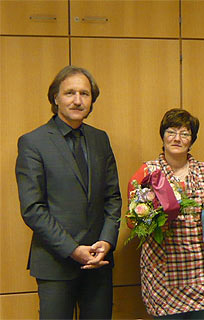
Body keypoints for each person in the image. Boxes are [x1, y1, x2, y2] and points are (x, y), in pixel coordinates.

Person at [15, 65, 122, 319]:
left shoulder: (100, 139)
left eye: (84, 94)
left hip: (99, 262)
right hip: (55, 264)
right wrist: (73, 249)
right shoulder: (33, 142)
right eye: (70, 93)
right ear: (55, 97)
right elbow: (32, 208)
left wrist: (106, 241)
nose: (77, 100)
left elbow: (113, 198)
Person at [128, 108, 204, 319]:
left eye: (185, 134)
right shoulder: (147, 172)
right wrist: (153, 222)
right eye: (171, 132)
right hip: (162, 272)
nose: (177, 138)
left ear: (191, 140)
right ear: (162, 135)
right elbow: (131, 222)